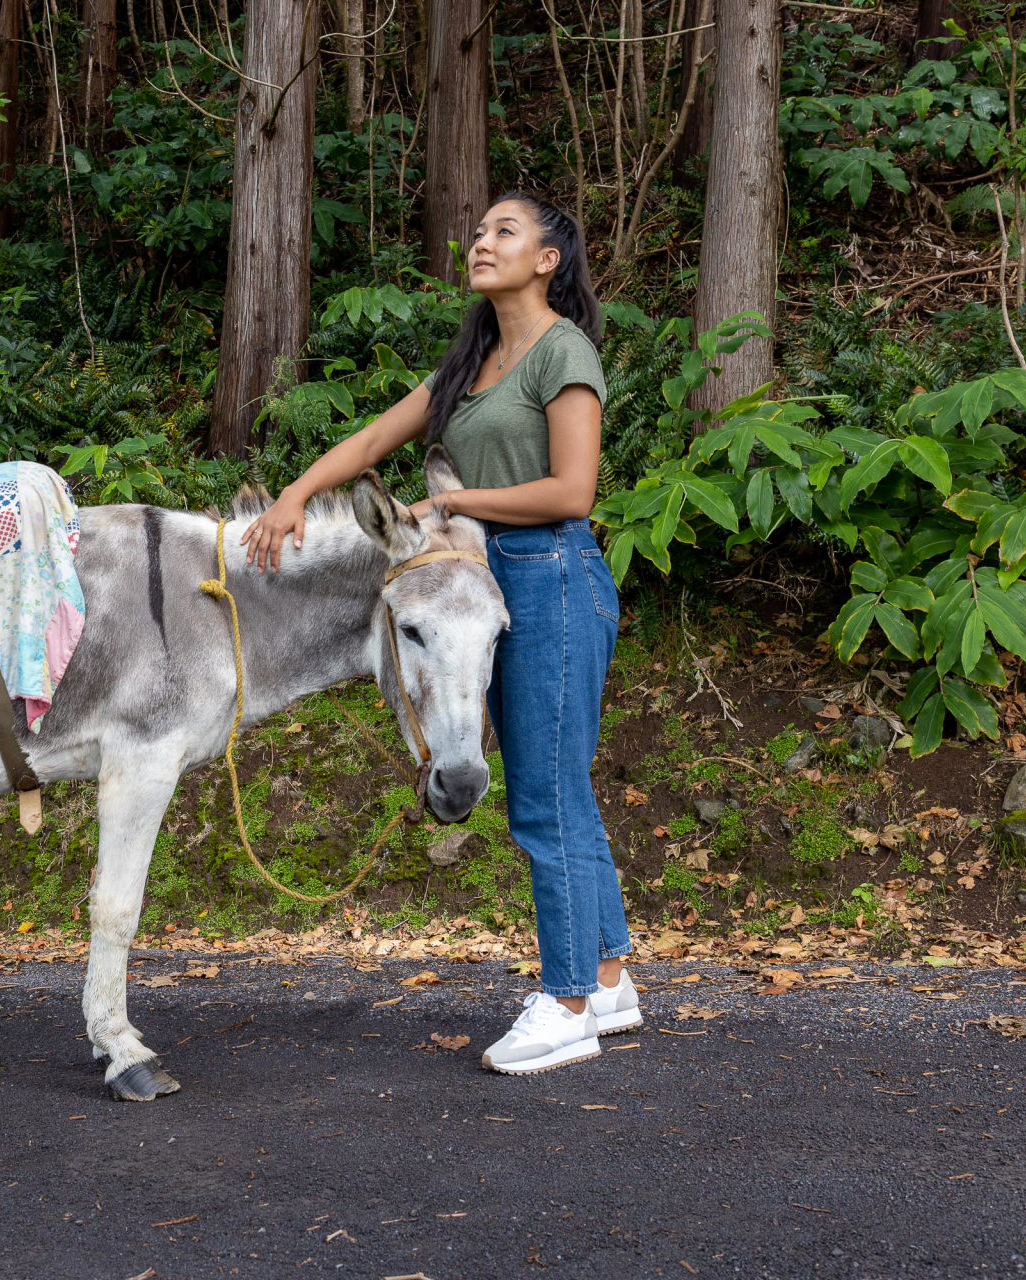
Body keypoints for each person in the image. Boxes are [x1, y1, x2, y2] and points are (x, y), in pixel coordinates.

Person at [240, 190, 639, 1075]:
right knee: (560, 786)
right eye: (480, 229)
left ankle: (567, 1001)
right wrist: (295, 496)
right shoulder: (474, 361)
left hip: (554, 577)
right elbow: (376, 438)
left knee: (544, 796)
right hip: (480, 584)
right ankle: (608, 979)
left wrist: (451, 500)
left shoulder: (562, 352)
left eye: (506, 231)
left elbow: (574, 492)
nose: (481, 242)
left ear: (549, 261)